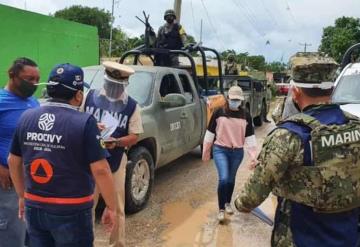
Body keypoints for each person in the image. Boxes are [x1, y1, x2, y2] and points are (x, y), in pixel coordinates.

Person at [234, 52, 360, 246]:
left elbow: (250, 198)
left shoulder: (288, 135)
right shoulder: (356, 126)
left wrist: (238, 203)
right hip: (349, 237)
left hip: (299, 238)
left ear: (295, 92)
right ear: (333, 88)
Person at [8, 63, 117, 247]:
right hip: (72, 209)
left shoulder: (27, 117)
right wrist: (112, 207)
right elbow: (101, 170)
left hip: (34, 205)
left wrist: (21, 196)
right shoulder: (85, 122)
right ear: (78, 95)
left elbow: (13, 161)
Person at [83, 61, 143, 247]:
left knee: (117, 207)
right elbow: (77, 120)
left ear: (125, 85)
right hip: (88, 161)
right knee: (86, 206)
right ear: (105, 81)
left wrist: (116, 142)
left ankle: (117, 244)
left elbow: (134, 136)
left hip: (115, 160)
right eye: (111, 85)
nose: (113, 90)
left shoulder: (132, 106)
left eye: (118, 87)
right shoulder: (89, 97)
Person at [202, 86, 257, 223]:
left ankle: (227, 203)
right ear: (228, 98)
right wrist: (206, 152)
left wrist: (253, 157)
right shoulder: (219, 113)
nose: (235, 102)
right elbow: (210, 134)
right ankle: (221, 209)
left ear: (241, 100)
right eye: (232, 99)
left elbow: (250, 138)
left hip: (237, 152)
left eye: (237, 100)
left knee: (231, 180)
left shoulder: (246, 115)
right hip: (220, 149)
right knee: (224, 179)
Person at [0, 57, 40, 247]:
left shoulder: (33, 102)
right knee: (10, 232)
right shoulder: (1, 102)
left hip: (32, 179)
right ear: (12, 75)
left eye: (37, 79)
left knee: (30, 230)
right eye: (29, 79)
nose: (34, 84)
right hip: (7, 181)